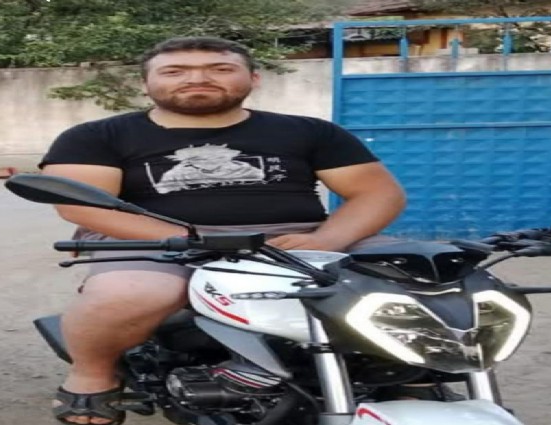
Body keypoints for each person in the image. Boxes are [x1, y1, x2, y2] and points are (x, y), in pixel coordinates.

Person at [40, 36, 406, 425]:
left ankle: (413, 373)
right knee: (129, 294)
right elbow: (84, 205)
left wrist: (326, 240)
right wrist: (192, 238)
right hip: (155, 239)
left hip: (296, 235)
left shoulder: (311, 132)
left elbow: (378, 194)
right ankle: (92, 375)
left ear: (254, 78)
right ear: (145, 83)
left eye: (220, 69)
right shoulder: (96, 136)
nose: (198, 79)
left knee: (418, 276)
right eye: (175, 71)